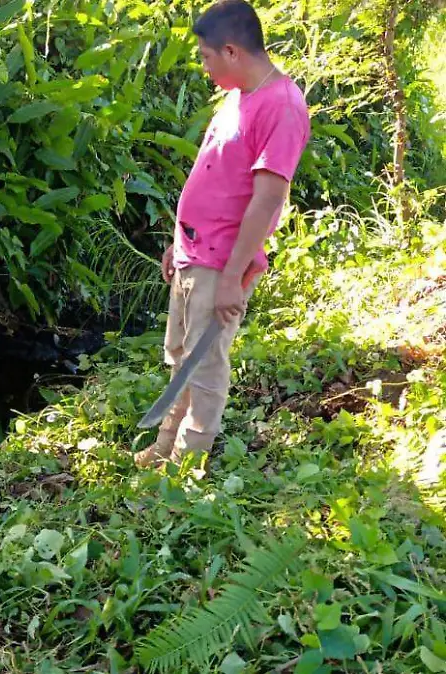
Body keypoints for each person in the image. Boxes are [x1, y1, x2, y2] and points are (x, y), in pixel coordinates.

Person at [135, 0, 310, 468]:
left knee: (205, 364)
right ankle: (165, 448)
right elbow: (211, 177)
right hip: (196, 252)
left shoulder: (283, 105)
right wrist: (179, 237)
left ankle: (187, 467)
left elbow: (268, 198)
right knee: (180, 357)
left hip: (222, 262)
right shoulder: (238, 97)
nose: (204, 66)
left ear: (231, 51)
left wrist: (234, 275)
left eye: (207, 57)